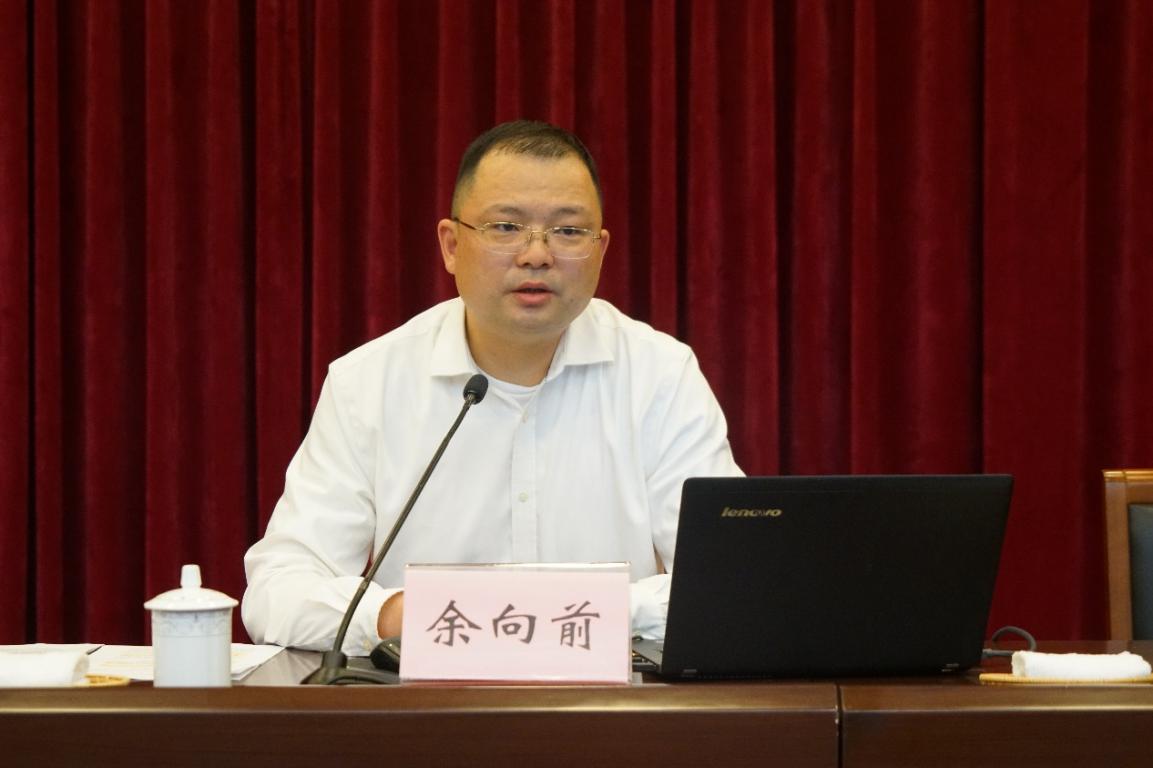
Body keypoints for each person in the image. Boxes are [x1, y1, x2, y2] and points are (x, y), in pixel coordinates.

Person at [242, 120, 742, 654]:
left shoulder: (660, 375)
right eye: (506, 226)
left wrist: (557, 611)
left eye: (568, 231)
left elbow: (733, 578)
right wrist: (403, 614)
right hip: (427, 699)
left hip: (610, 701)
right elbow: (277, 591)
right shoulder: (369, 382)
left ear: (600, 250)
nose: (536, 254)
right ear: (451, 245)